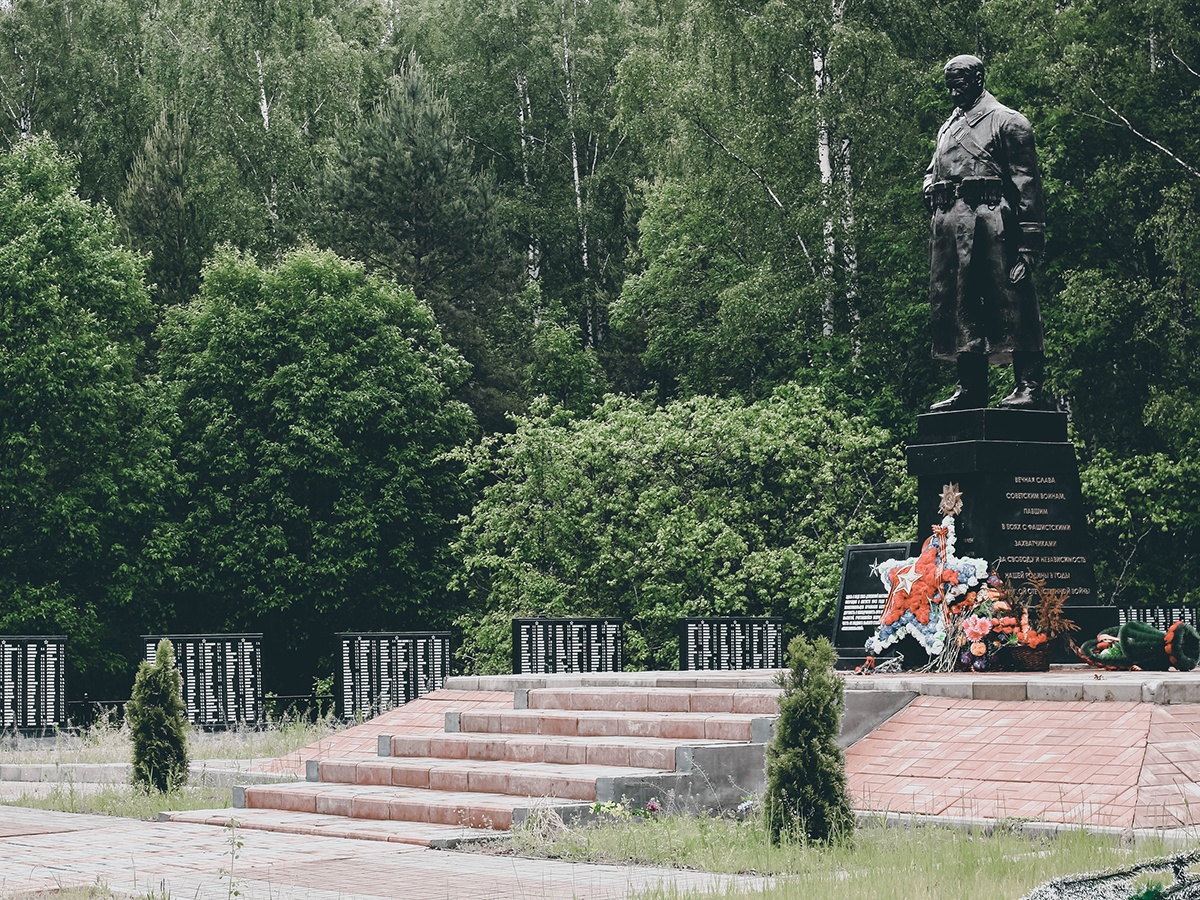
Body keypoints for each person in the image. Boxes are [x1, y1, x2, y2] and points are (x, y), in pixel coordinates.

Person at [923, 54, 1051, 411]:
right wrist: (930, 188)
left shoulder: (1008, 122)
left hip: (996, 223)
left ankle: (1029, 386)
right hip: (953, 226)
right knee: (960, 304)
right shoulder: (948, 126)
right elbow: (933, 170)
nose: (953, 93)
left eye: (959, 85)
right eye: (949, 86)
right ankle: (970, 388)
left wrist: (1029, 246)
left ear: (978, 79)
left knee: (1013, 302)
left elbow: (1027, 186)